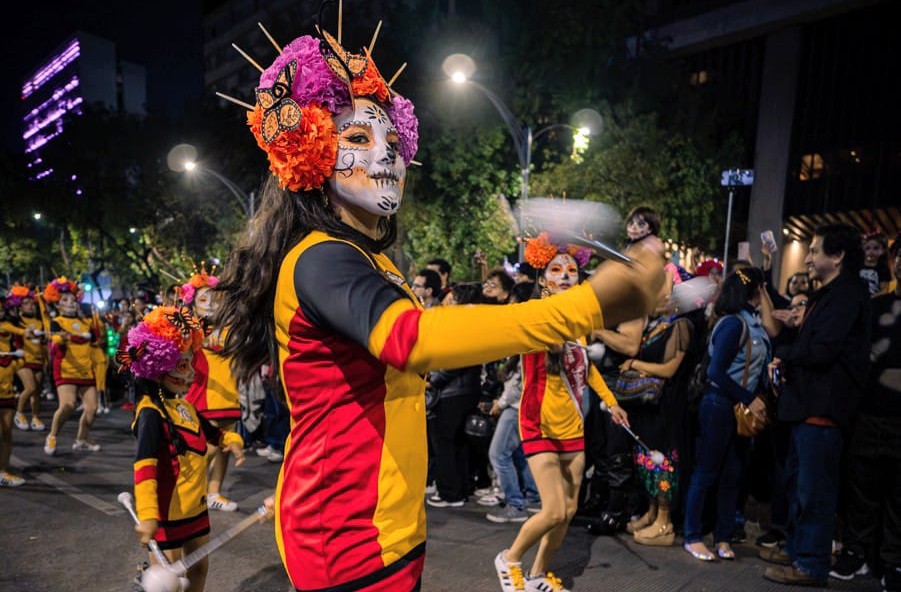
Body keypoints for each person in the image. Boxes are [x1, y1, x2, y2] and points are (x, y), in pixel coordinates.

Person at [213, 20, 663, 592]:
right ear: (314, 150)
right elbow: (414, 338)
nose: (386, 154)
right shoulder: (321, 258)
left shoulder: (372, 260)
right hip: (348, 537)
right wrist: (585, 306)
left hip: (389, 522)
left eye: (392, 141)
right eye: (358, 138)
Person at [494, 233, 629, 592]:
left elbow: (587, 368)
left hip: (572, 426)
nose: (566, 275)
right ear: (543, 279)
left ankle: (538, 574)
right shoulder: (535, 314)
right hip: (538, 423)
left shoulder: (577, 322)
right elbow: (536, 339)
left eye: (572, 270)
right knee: (552, 510)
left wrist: (611, 402)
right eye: (556, 269)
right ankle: (509, 559)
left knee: (568, 512)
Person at [763, 223, 871, 586]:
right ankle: (798, 551)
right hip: (806, 405)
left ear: (837, 256)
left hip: (824, 406)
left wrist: (786, 354)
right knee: (800, 486)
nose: (807, 258)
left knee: (815, 492)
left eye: (814, 250)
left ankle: (810, 563)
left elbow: (823, 350)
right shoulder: (828, 294)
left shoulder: (847, 295)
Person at [126, 306, 245, 592]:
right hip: (166, 516)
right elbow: (145, 467)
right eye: (183, 366)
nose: (192, 373)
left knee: (199, 569)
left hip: (196, 510)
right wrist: (148, 515)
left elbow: (213, 434)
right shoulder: (150, 412)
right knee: (168, 584)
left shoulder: (184, 405)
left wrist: (232, 441)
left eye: (191, 363)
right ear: (158, 367)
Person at [683, 268, 772, 561]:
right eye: (762, 287)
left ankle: (723, 536)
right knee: (707, 472)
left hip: (737, 407)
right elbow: (715, 372)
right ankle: (692, 536)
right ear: (754, 290)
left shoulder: (752, 323)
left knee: (732, 475)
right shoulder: (734, 324)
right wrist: (749, 398)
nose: (765, 293)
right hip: (720, 404)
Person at [830, 241, 901, 590]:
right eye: (900, 256)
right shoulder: (875, 306)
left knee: (899, 495)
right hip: (869, 413)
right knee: (862, 489)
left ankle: (894, 562)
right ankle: (856, 553)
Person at [181, 268, 242, 512]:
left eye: (215, 299)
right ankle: (187, 491)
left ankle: (214, 493)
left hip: (230, 393)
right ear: (193, 305)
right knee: (209, 447)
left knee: (225, 446)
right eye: (203, 300)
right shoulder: (190, 330)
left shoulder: (230, 328)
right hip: (204, 395)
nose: (210, 304)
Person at [485, 281, 541, 524]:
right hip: (525, 404)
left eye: (513, 301)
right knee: (520, 453)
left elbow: (521, 378)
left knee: (498, 454)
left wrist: (501, 402)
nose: (509, 305)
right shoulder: (535, 329)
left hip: (517, 405)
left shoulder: (528, 332)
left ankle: (516, 504)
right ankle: (533, 497)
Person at [42, 277, 101, 455]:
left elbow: (97, 339)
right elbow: (55, 340)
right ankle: (52, 436)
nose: (70, 302)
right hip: (66, 368)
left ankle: (82, 439)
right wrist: (61, 338)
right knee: (68, 405)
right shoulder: (57, 321)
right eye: (65, 299)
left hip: (85, 369)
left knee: (92, 408)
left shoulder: (86, 322)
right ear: (57, 304)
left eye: (73, 299)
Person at [5, 286, 48, 432]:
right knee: (30, 387)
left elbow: (43, 342)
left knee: (36, 392)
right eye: (26, 303)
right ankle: (19, 413)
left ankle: (35, 417)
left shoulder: (40, 322)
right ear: (19, 306)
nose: (30, 306)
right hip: (22, 360)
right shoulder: (16, 321)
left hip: (37, 359)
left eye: (31, 303)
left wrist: (46, 358)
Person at [0, 298, 26, 486]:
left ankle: (3, 472)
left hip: (7, 390)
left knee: (7, 433)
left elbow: (18, 357)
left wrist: (18, 359)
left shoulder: (7, 328)